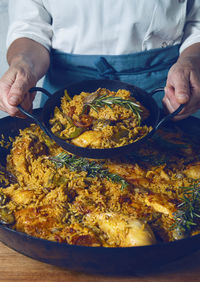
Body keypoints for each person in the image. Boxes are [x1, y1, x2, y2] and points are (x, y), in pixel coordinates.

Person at [0, 0, 200, 120]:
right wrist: (23, 64)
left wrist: (192, 61)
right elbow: (29, 28)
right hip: (67, 96)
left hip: (167, 90)